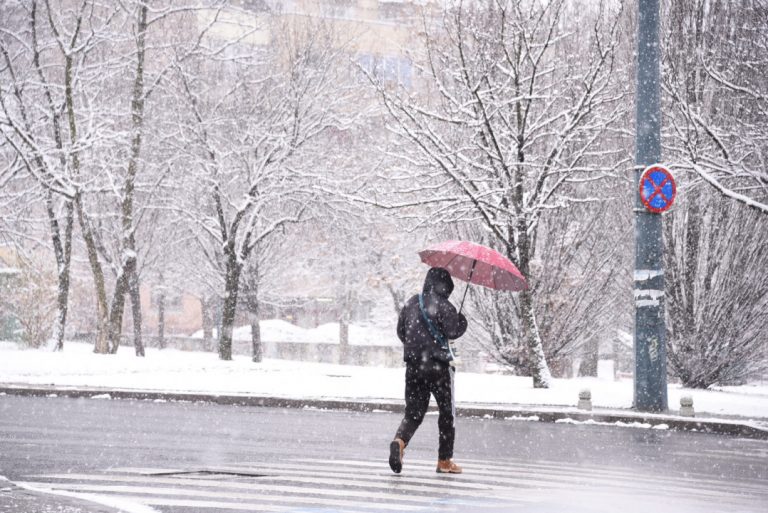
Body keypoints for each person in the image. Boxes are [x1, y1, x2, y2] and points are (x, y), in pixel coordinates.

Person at [389, 267, 468, 474]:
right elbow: (453, 331)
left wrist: (418, 348)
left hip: (414, 367)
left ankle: (400, 441)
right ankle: (444, 461)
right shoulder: (445, 306)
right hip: (438, 367)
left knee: (413, 412)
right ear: (446, 286)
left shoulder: (411, 303)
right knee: (446, 414)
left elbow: (401, 332)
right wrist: (462, 321)